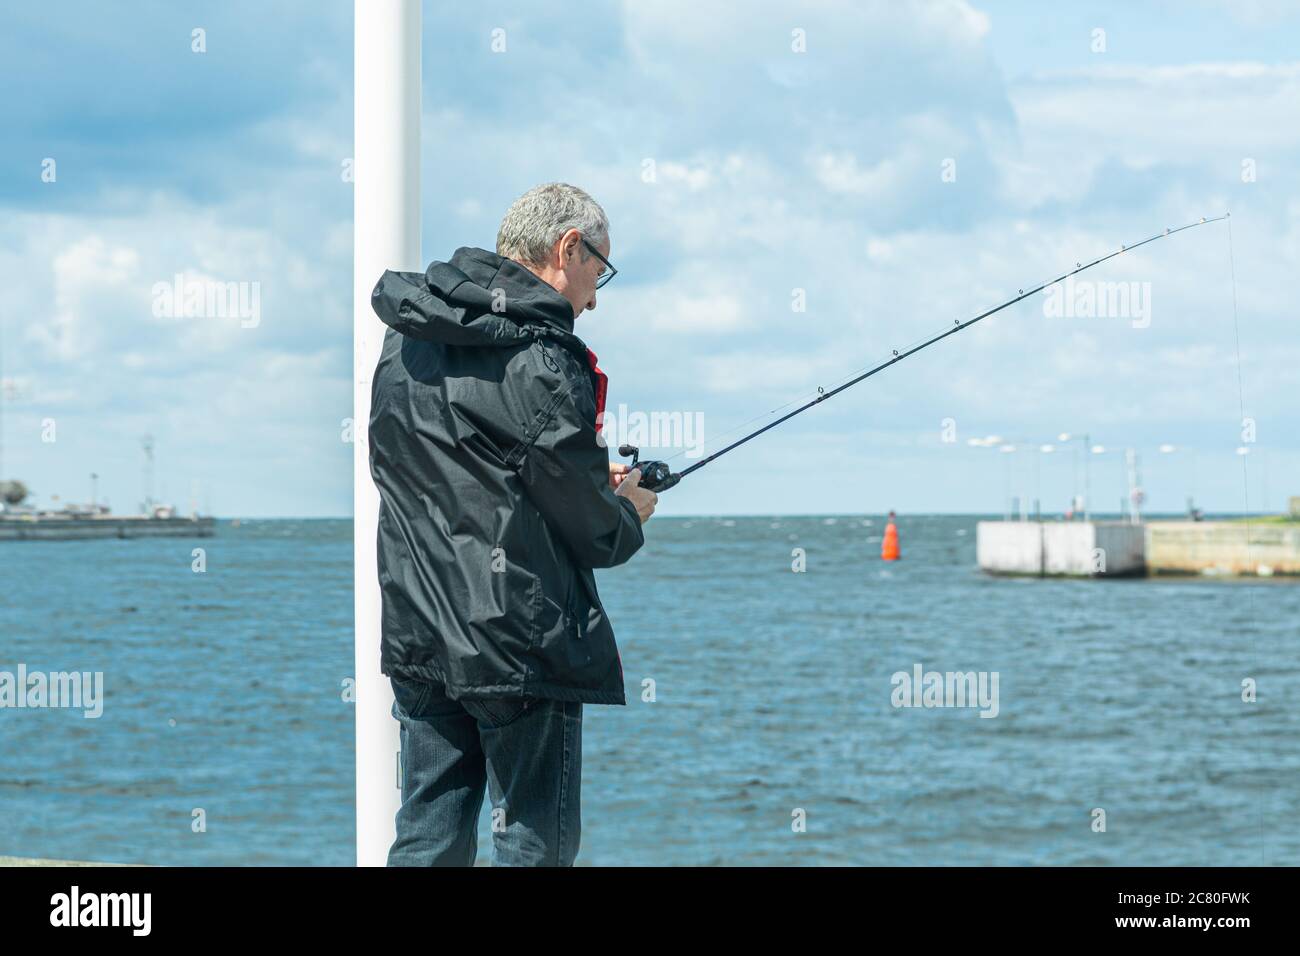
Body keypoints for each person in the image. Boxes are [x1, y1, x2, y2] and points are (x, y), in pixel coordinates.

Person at [368, 183, 657, 866]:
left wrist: (584, 487)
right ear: (567, 249)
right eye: (599, 270)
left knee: (427, 832)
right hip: (516, 643)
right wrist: (628, 510)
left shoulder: (405, 341)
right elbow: (595, 533)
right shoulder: (543, 356)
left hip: (420, 630)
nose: (593, 297)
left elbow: (450, 472)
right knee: (535, 840)